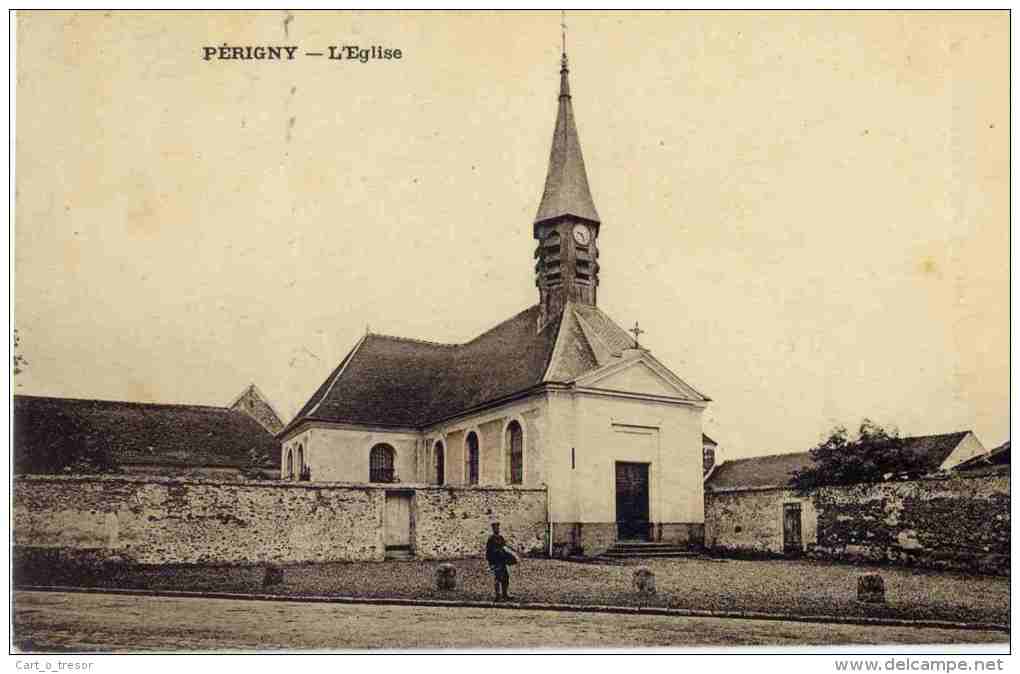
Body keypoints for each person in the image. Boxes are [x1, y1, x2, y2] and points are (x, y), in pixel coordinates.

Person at [485, 521, 511, 601]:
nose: (497, 529)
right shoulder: (491, 539)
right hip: (496, 561)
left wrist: (508, 557)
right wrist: (490, 563)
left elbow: (505, 548)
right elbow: (488, 552)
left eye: (498, 527)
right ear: (493, 529)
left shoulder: (501, 538)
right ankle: (497, 596)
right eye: (495, 528)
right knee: (498, 578)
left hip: (502, 561)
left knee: (506, 577)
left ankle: (505, 594)